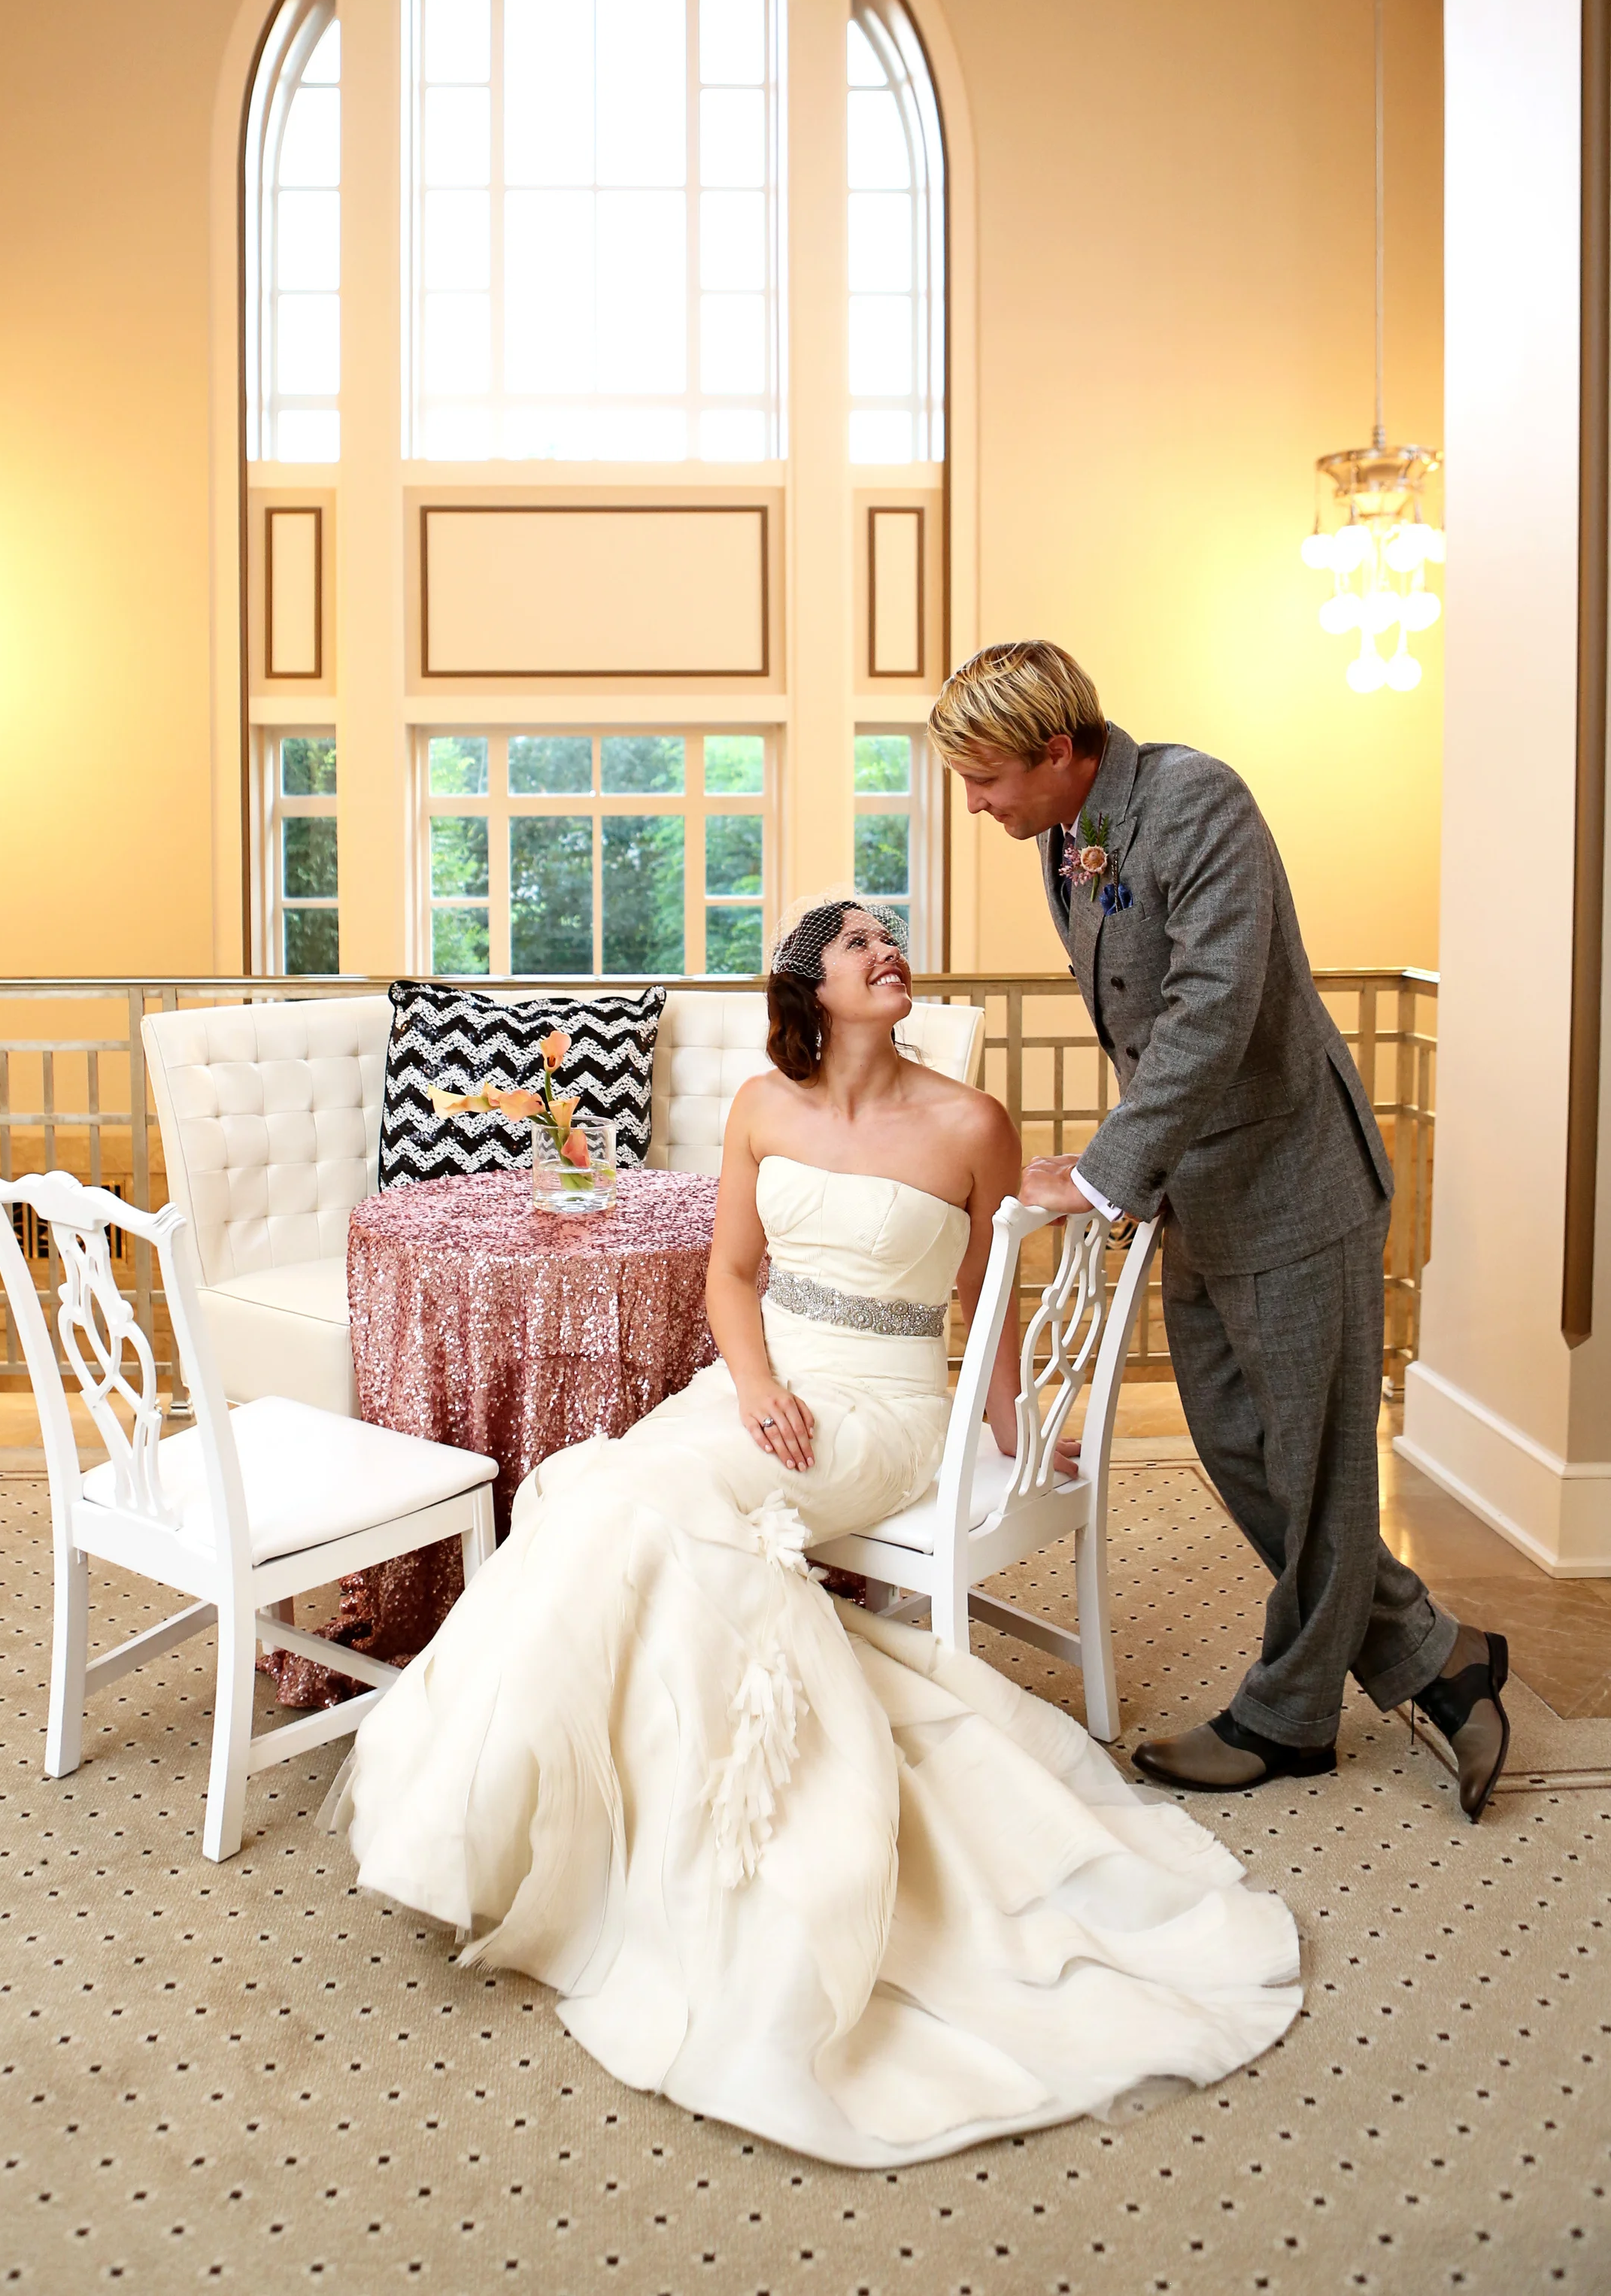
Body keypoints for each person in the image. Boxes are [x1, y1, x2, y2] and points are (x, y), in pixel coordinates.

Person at [330, 896, 1301, 2167]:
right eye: (858, 942)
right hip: (757, 1390)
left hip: (885, 1408)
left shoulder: (970, 1120)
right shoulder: (761, 1107)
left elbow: (985, 1303)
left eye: (891, 936)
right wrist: (752, 1387)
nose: (888, 948)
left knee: (640, 1503)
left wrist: (1009, 1430)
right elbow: (732, 1276)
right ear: (809, 986)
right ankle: (523, 1819)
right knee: (591, 1486)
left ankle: (621, 1841)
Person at [930, 638, 1510, 1821]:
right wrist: (1127, 1168)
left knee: (1320, 1462)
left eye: (985, 776)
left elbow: (1210, 1009)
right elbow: (1143, 1031)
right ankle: (1443, 1658)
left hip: (1298, 1186)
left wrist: (1099, 1177)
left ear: (1058, 749)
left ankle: (1289, 1718)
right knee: (1243, 1452)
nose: (975, 802)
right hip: (1194, 1190)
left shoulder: (1198, 799)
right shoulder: (1065, 837)